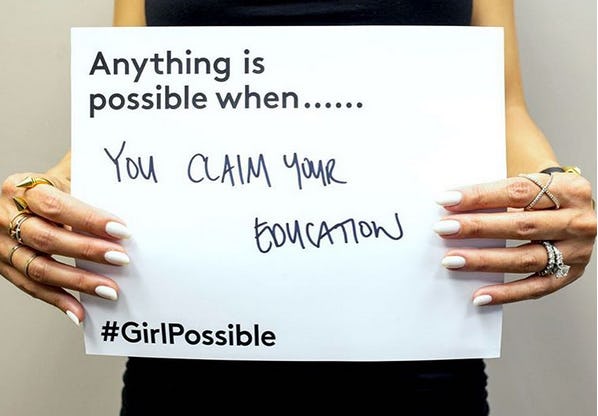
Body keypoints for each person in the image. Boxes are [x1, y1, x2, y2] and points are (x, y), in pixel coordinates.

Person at [0, 0, 595, 414]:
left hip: (419, 358)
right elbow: (131, 107)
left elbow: (503, 105)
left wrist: (555, 189)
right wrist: (42, 196)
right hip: (187, 358)